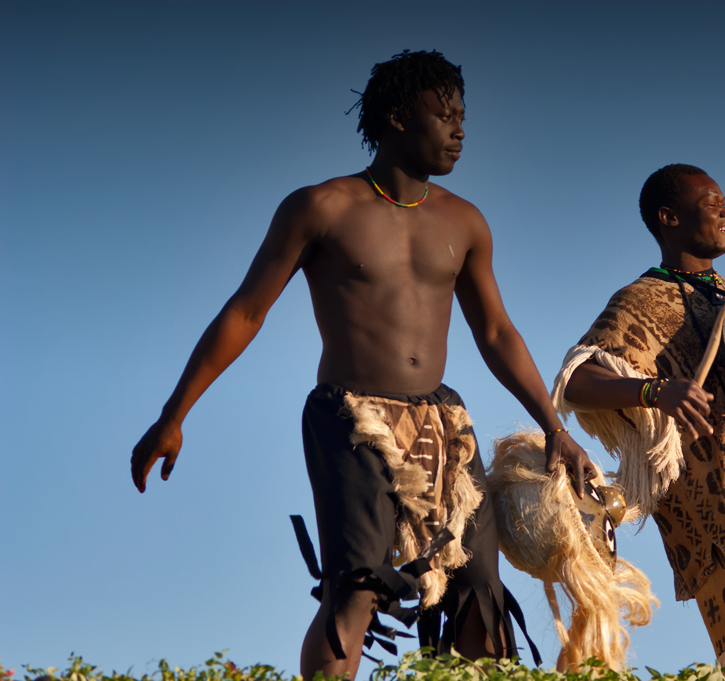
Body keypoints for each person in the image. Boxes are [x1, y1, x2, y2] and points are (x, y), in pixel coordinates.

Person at [131, 50, 595, 679]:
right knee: (358, 584)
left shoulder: (465, 222)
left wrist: (556, 430)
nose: (460, 129)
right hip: (350, 415)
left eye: (463, 114)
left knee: (475, 583)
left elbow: (496, 331)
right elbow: (246, 311)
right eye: (443, 114)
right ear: (398, 118)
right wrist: (173, 414)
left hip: (443, 421)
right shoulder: (321, 208)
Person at [551, 164, 725, 669]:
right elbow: (576, 381)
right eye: (711, 202)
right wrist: (655, 390)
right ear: (669, 218)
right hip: (715, 508)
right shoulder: (641, 299)